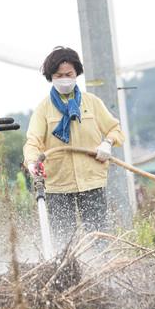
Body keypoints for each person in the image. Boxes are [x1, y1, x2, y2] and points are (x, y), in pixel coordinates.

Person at [23, 46, 124, 252]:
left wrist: (107, 143)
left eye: (68, 74)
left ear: (77, 73)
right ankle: (68, 270)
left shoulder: (92, 103)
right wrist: (32, 163)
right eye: (58, 75)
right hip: (58, 185)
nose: (64, 79)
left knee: (98, 239)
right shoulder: (43, 109)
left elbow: (115, 129)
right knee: (64, 243)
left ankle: (102, 268)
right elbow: (33, 142)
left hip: (91, 181)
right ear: (51, 77)